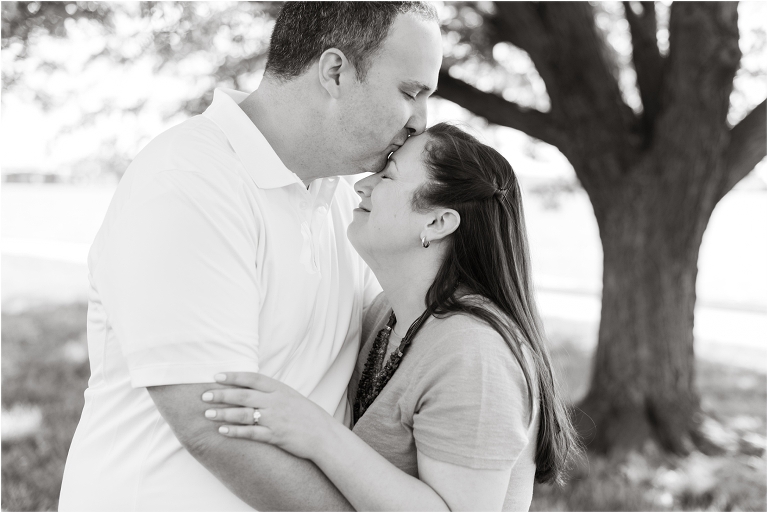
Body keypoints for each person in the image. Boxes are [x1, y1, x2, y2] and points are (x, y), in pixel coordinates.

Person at [58, 3, 442, 511]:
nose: (421, 121)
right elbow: (215, 428)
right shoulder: (189, 180)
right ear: (335, 72)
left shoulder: (346, 202)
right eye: (411, 93)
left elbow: (409, 338)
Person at [201, 123, 582, 511]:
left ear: (437, 223)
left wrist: (317, 433)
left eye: (387, 176)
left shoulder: (474, 355)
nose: (362, 185)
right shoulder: (388, 315)